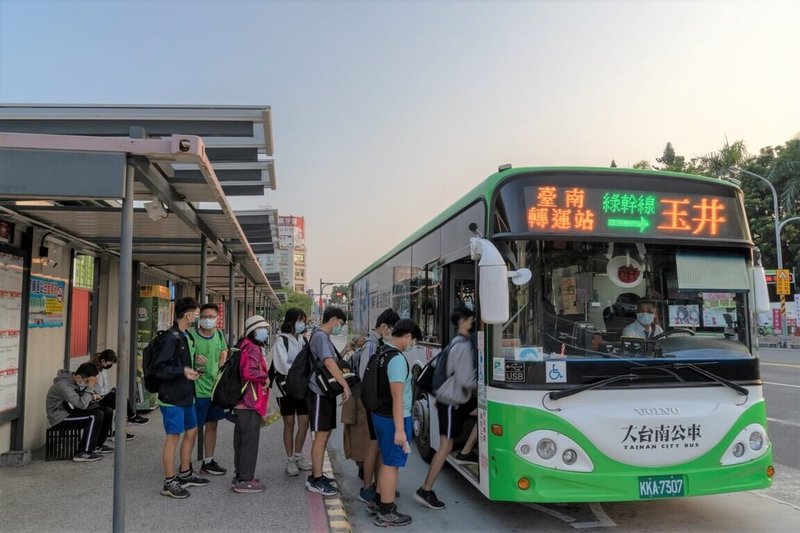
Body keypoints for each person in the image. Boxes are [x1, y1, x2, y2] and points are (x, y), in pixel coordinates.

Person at [416, 306, 478, 510]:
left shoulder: (455, 342)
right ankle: (426, 489)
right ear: (462, 322)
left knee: (447, 444)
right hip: (450, 402)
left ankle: (426, 489)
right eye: (470, 320)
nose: (473, 323)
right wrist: (482, 384)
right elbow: (464, 379)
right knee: (445, 446)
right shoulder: (463, 346)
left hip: (447, 400)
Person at [151, 297, 209, 499]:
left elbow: (182, 359)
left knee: (192, 431)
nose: (198, 317)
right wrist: (182, 371)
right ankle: (169, 482)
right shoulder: (171, 337)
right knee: (173, 437)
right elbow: (159, 368)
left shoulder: (187, 336)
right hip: (172, 396)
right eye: (196, 313)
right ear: (188, 314)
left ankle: (185, 473)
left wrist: (195, 361)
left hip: (187, 394)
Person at [371, 319, 422, 527]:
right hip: (394, 419)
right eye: (414, 340)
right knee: (392, 464)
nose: (413, 344)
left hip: (380, 415)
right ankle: (387, 511)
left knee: (385, 459)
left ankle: (378, 500)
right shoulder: (398, 359)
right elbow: (397, 396)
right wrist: (400, 430)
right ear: (408, 336)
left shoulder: (381, 352)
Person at [347, 308, 399, 508]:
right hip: (371, 403)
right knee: (373, 446)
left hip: (373, 402)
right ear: (384, 327)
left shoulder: (375, 343)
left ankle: (379, 486)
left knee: (376, 447)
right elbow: (365, 375)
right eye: (392, 329)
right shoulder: (371, 344)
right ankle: (367, 487)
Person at [305, 306, 352, 497]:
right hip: (318, 393)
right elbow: (329, 363)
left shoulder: (320, 336)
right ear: (333, 319)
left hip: (324, 393)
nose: (339, 327)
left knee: (324, 434)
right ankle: (316, 479)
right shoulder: (321, 336)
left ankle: (319, 475)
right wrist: (345, 385)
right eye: (340, 324)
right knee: (321, 435)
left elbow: (329, 360)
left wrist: (345, 350)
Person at [231, 315, 271, 493]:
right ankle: (245, 480)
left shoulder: (243, 345)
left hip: (240, 402)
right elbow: (250, 373)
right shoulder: (253, 348)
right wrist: (265, 376)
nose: (265, 333)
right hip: (249, 402)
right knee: (249, 442)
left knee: (241, 441)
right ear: (253, 331)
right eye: (261, 329)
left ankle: (240, 475)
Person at [189, 303, 229, 476]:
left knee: (212, 426)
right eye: (204, 317)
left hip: (215, 391)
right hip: (197, 391)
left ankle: (208, 461)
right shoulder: (191, 337)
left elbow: (224, 351)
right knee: (192, 429)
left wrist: (223, 357)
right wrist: (193, 357)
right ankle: (186, 464)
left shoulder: (219, 335)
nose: (208, 320)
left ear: (217, 318)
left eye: (211, 317)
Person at [272, 307, 313, 476]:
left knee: (304, 423)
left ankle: (298, 455)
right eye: (300, 320)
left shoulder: (303, 340)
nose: (302, 324)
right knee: (289, 424)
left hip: (302, 387)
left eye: (303, 321)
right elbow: (282, 365)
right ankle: (290, 460)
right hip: (286, 388)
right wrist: (298, 374)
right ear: (290, 321)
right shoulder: (281, 340)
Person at [46, 362, 111, 462]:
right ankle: (83, 452)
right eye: (87, 381)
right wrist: (90, 388)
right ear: (80, 377)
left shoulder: (76, 379)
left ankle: (98, 444)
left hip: (71, 411)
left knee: (107, 411)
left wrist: (92, 395)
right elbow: (82, 405)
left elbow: (80, 400)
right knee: (95, 416)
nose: (87, 383)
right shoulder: (63, 386)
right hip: (60, 417)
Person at [87, 349, 143, 442]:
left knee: (119, 397)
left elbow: (104, 387)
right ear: (103, 361)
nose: (110, 366)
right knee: (118, 395)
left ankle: (120, 431)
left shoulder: (103, 369)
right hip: (95, 399)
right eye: (109, 363)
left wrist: (109, 391)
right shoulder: (92, 370)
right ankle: (132, 417)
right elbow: (92, 388)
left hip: (102, 396)